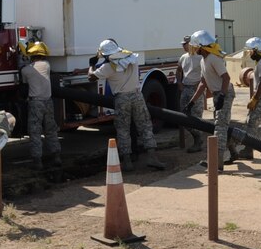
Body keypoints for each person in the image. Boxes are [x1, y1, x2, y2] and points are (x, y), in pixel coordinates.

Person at [88, 39, 166, 172]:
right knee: (145, 126)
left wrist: (92, 65)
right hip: (137, 96)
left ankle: (127, 162)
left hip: (122, 99)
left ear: (105, 55)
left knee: (123, 130)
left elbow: (91, 77)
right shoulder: (132, 58)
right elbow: (121, 57)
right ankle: (152, 157)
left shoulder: (107, 68)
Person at [184, 30, 238, 170]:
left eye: (195, 46)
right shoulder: (203, 60)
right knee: (221, 125)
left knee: (219, 127)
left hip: (224, 93)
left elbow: (226, 78)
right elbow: (203, 83)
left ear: (201, 46)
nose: (193, 49)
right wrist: (192, 102)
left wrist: (222, 96)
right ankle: (233, 151)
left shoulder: (214, 58)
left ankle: (216, 164)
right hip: (217, 94)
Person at [231, 37, 261, 160]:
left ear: (256, 51)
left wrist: (255, 98)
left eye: (250, 51)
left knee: (251, 123)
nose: (249, 54)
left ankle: (248, 150)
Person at [18, 41, 61, 171]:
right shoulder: (47, 65)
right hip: (48, 102)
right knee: (51, 129)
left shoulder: (25, 70)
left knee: (35, 131)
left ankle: (37, 161)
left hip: (35, 103)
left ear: (31, 55)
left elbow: (24, 82)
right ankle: (56, 157)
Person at [176, 35, 206, 153]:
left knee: (196, 117)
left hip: (196, 89)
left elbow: (205, 75)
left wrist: (199, 86)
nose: (183, 46)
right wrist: (179, 83)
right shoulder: (183, 57)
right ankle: (197, 138)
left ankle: (198, 141)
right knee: (183, 116)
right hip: (186, 88)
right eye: (183, 44)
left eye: (186, 43)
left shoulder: (200, 58)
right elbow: (179, 70)